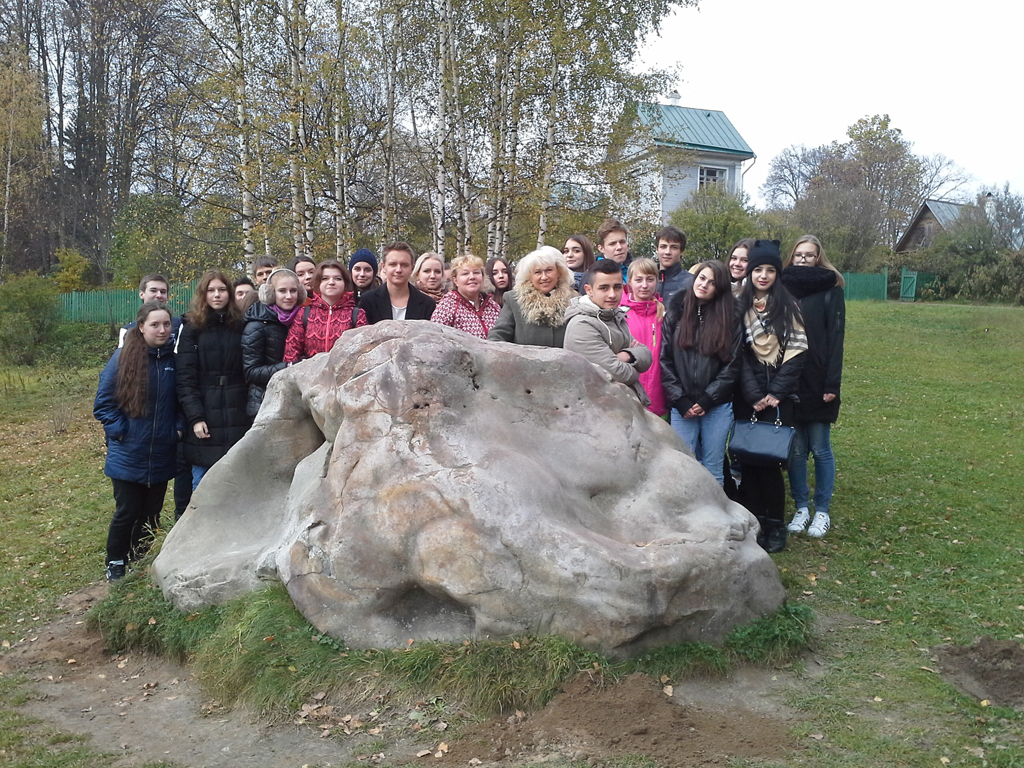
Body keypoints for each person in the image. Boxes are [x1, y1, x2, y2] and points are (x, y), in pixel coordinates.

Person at [94, 302, 183, 581]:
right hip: (128, 451)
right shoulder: (123, 358)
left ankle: (141, 556)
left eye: (166, 324)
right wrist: (121, 432)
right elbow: (103, 403)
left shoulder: (174, 361)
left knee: (151, 512)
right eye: (155, 325)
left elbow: (183, 402)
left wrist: (177, 431)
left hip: (162, 450)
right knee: (127, 511)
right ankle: (116, 560)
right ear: (141, 327)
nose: (162, 330)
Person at [736, 240, 807, 553]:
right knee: (748, 461)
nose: (763, 275)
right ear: (750, 272)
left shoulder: (789, 306)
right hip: (747, 395)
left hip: (780, 397)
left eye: (770, 270)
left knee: (770, 463)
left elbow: (798, 352)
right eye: (758, 270)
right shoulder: (740, 306)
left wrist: (776, 392)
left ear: (777, 274)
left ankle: (775, 526)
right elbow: (737, 354)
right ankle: (755, 523)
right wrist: (753, 393)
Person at [781, 235, 846, 539]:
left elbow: (836, 338)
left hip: (819, 378)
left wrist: (832, 382)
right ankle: (801, 507)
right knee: (796, 450)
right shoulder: (782, 287)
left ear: (819, 257)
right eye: (799, 254)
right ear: (792, 257)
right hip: (790, 377)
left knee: (820, 448)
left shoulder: (831, 290)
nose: (803, 259)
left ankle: (822, 510)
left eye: (809, 255)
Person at [660, 260, 741, 485]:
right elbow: (665, 359)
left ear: (720, 288)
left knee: (714, 468)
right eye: (702, 278)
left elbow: (733, 364)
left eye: (712, 282)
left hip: (716, 405)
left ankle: (715, 509)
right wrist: (679, 398)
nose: (704, 285)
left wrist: (708, 399)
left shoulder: (731, 317)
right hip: (682, 404)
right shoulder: (676, 311)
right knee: (683, 467)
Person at [176, 270, 251, 491]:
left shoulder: (241, 324)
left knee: (239, 480)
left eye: (221, 290)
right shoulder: (192, 328)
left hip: (238, 408)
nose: (217, 295)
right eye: (211, 290)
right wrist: (196, 417)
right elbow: (185, 378)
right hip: (206, 408)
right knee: (203, 481)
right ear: (203, 294)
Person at [564, 259, 652, 403]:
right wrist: (635, 365)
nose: (612, 294)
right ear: (589, 290)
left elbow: (646, 355)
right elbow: (618, 374)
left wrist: (627, 355)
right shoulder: (582, 325)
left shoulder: (615, 316)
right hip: (596, 408)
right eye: (604, 288)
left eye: (617, 287)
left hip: (621, 405)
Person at [241, 268, 306, 416]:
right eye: (282, 291)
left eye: (293, 291)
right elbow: (251, 372)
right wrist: (289, 366)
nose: (289, 296)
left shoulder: (303, 319)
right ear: (269, 293)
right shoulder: (256, 325)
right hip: (265, 404)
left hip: (296, 404)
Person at [488, 246, 576, 347]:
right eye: (538, 272)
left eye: (549, 270)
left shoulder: (574, 301)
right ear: (529, 276)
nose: (544, 277)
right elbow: (498, 336)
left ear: (559, 272)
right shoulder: (514, 300)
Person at [284, 261, 367, 362]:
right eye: (325, 278)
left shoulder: (357, 315)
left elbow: (363, 351)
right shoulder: (304, 313)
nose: (331, 282)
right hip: (310, 370)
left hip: (344, 370)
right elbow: (291, 352)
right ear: (318, 283)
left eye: (337, 278)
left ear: (345, 283)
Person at [621, 258, 668, 417]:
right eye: (638, 280)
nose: (644, 285)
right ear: (629, 282)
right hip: (629, 392)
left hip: (659, 395)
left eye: (650, 279)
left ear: (657, 281)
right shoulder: (620, 314)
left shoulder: (664, 315)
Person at [359, 243, 437, 323]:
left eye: (404, 265)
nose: (398, 270)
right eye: (393, 264)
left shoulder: (427, 304)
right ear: (383, 267)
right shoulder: (368, 301)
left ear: (412, 268)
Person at [431, 254, 502, 338]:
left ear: (482, 277)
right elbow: (435, 338)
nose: (472, 277)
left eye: (476, 272)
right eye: (465, 273)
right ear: (455, 280)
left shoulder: (493, 307)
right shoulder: (447, 307)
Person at [654, 226, 694, 305]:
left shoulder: (691, 282)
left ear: (682, 251)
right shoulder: (644, 281)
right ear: (657, 249)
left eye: (674, 247)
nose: (667, 252)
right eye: (663, 247)